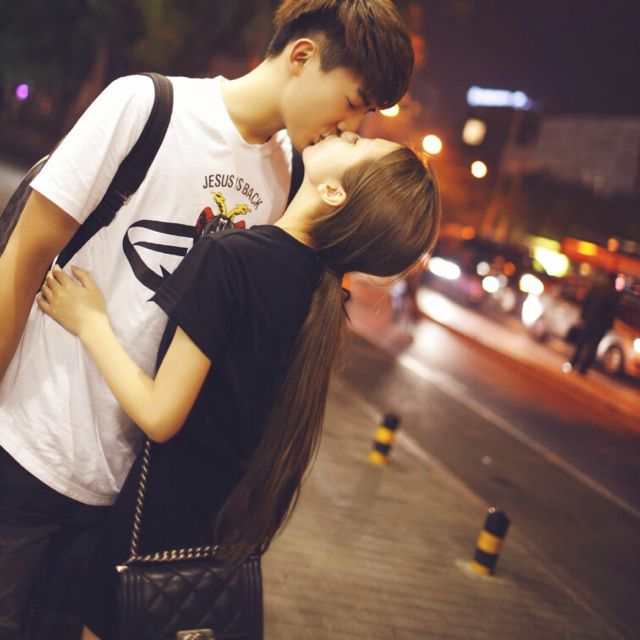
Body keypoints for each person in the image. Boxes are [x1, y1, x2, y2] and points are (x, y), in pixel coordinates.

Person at [0, 1, 415, 635]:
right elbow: (24, 258)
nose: (351, 125)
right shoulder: (147, 107)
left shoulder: (288, 178)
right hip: (28, 450)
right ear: (303, 56)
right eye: (354, 102)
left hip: (118, 500)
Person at [39, 131, 441, 640]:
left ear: (334, 192)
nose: (347, 131)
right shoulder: (322, 301)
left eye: (358, 143)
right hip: (222, 539)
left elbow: (161, 416)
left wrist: (90, 321)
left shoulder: (235, 258)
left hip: (155, 527)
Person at [565, 274, 622, 375]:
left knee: (581, 342)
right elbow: (613, 312)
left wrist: (583, 316)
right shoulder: (614, 294)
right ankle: (583, 368)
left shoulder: (597, 288)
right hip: (601, 325)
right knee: (593, 346)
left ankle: (573, 362)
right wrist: (608, 326)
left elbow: (586, 301)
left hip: (589, 320)